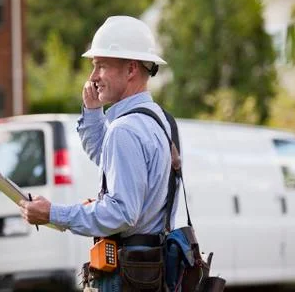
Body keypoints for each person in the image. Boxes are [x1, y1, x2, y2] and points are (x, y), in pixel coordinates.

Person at [18, 15, 179, 291]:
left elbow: (120, 214)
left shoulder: (125, 130)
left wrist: (53, 213)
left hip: (128, 277)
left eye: (101, 66)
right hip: (153, 271)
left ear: (130, 69)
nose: (92, 77)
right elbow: (108, 158)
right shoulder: (162, 121)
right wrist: (93, 112)